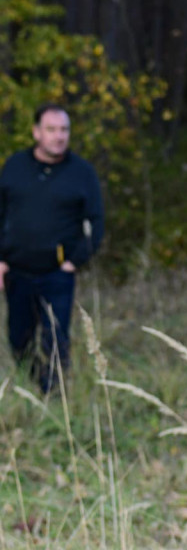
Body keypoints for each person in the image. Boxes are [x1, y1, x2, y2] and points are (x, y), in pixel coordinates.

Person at [0, 104, 104, 394]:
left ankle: (54, 393)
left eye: (64, 130)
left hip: (57, 274)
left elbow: (96, 223)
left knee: (55, 337)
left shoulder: (82, 173)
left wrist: (74, 261)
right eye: (51, 129)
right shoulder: (15, 167)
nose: (59, 136)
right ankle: (30, 382)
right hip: (16, 271)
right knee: (18, 337)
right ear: (36, 133)